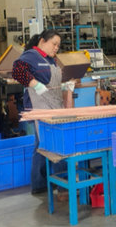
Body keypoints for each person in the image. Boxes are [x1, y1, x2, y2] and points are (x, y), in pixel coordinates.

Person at [12, 29, 74, 193]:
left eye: (58, 46)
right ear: (42, 41)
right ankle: (63, 186)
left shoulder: (50, 60)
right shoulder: (32, 56)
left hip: (54, 105)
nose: (56, 48)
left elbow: (50, 82)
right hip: (41, 108)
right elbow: (17, 71)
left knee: (42, 144)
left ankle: (40, 185)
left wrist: (64, 87)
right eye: (54, 44)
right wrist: (34, 84)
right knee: (55, 144)